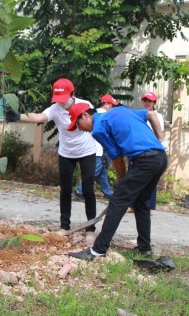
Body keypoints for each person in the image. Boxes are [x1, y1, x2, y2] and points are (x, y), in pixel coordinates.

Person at [66, 102, 167, 261]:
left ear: (85, 115)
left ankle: (97, 251)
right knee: (141, 204)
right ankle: (144, 249)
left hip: (144, 162)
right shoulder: (120, 110)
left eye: (78, 124)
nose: (80, 129)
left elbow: (117, 159)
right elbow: (151, 115)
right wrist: (160, 139)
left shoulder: (98, 128)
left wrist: (122, 181)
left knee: (117, 202)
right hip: (160, 158)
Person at [6, 78, 98, 244]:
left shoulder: (86, 105)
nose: (61, 103)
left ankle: (91, 229)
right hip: (66, 153)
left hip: (87, 151)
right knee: (65, 190)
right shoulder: (55, 109)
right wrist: (19, 116)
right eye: (58, 100)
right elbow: (40, 117)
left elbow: (95, 122)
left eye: (64, 99)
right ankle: (65, 226)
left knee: (88, 190)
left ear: (73, 95)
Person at [75, 94, 118, 200]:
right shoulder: (106, 115)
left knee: (103, 172)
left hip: (97, 148)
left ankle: (108, 193)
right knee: (94, 171)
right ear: (107, 104)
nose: (112, 108)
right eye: (112, 105)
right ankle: (80, 191)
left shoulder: (93, 112)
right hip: (100, 149)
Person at [141, 92, 164, 211]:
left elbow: (158, 135)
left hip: (152, 149)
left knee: (150, 180)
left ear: (154, 103)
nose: (147, 103)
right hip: (141, 149)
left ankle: (148, 206)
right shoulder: (141, 115)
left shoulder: (157, 116)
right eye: (145, 101)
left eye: (149, 101)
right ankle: (136, 205)